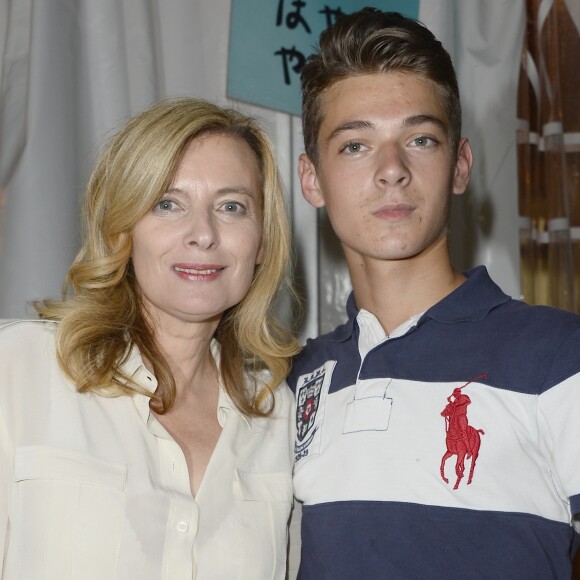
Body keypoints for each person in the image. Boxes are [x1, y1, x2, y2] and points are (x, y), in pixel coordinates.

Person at [287, 8, 580, 579]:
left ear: (460, 165)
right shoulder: (296, 379)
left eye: (420, 139)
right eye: (354, 145)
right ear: (311, 179)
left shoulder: (557, 356)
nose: (391, 169)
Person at [0, 97, 300, 579]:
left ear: (262, 240)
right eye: (168, 203)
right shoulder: (19, 368)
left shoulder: (278, 413)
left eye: (231, 206)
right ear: (123, 227)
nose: (202, 234)